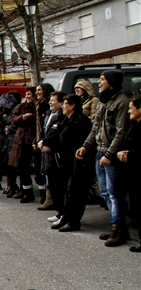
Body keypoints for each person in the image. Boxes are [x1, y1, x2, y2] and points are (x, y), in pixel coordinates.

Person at [77, 69, 130, 247]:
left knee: (115, 193)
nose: (99, 82)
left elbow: (121, 131)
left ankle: (119, 228)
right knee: (105, 192)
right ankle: (116, 224)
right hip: (99, 150)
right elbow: (96, 127)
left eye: (102, 79)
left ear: (111, 82)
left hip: (111, 154)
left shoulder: (121, 102)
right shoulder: (102, 101)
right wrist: (85, 146)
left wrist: (109, 154)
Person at [44, 94, 93, 232]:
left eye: (65, 104)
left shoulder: (80, 121)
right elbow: (59, 137)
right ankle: (66, 216)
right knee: (67, 191)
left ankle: (74, 221)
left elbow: (78, 142)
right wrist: (47, 142)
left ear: (72, 106)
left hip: (78, 163)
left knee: (76, 192)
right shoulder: (67, 120)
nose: (63, 106)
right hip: (67, 162)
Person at [116, 95, 141, 251]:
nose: (129, 111)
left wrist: (130, 154)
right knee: (135, 206)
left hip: (138, 170)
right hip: (131, 171)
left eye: (132, 108)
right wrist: (121, 153)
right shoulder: (133, 125)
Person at [37, 92, 65, 212]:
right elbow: (44, 131)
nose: (50, 103)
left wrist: (48, 144)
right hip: (46, 151)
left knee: (57, 182)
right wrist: (42, 142)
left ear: (61, 103)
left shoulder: (63, 117)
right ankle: (53, 203)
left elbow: (59, 135)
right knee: (48, 176)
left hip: (57, 154)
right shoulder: (49, 114)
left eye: (53, 100)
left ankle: (60, 210)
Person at [9, 88, 37, 203]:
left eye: (29, 94)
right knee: (22, 167)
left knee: (39, 169)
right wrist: (22, 117)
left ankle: (45, 194)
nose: (27, 96)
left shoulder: (39, 106)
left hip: (35, 139)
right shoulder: (22, 106)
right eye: (26, 94)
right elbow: (13, 119)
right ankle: (26, 192)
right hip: (22, 140)